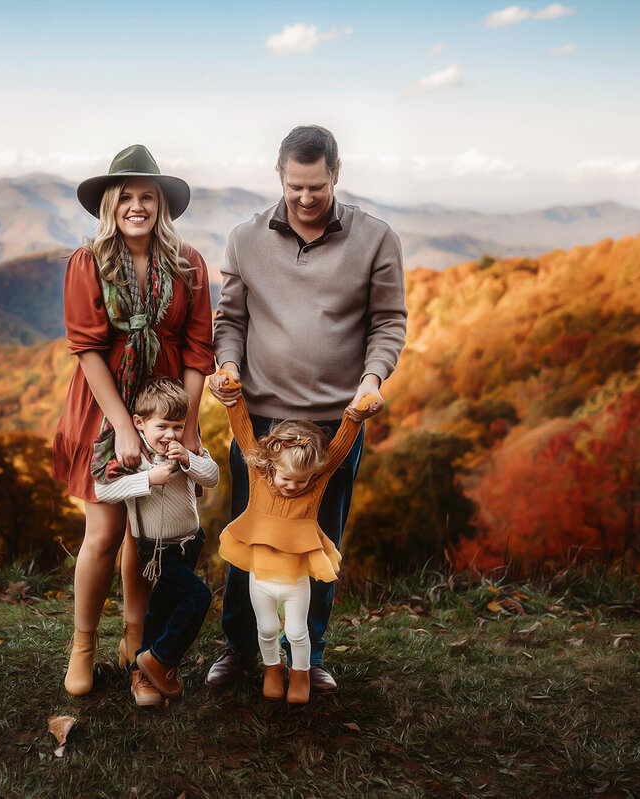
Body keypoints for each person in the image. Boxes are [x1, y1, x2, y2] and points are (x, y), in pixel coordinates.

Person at [208, 125, 407, 694]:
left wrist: (371, 381)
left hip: (335, 419)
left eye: (316, 186)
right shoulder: (245, 239)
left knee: (319, 541)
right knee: (251, 535)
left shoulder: (375, 238)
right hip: (262, 419)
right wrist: (227, 368)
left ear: (336, 175)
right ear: (279, 176)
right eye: (295, 186)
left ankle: (308, 655)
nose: (305, 198)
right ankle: (241, 649)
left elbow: (388, 321)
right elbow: (232, 321)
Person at [53, 144, 215, 697]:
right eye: (126, 196)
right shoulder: (88, 261)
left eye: (148, 196)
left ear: (162, 204)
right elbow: (87, 347)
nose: (137, 205)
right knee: (104, 531)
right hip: (106, 405)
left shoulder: (189, 263)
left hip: (164, 410)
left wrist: (187, 425)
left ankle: (135, 639)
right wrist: (121, 424)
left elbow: (198, 348)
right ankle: (82, 646)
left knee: (145, 534)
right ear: (110, 204)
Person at [213, 369, 380, 704]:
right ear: (271, 466)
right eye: (287, 479)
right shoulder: (259, 474)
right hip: (260, 575)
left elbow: (338, 451)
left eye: (301, 481)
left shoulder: (313, 485)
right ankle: (272, 668)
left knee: (296, 630)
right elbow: (245, 432)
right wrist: (233, 399)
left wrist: (354, 416)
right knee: (265, 628)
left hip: (295, 580)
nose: (293, 486)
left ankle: (301, 671)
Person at [94, 377, 219, 706]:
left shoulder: (186, 450)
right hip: (157, 550)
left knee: (161, 608)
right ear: (140, 423)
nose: (170, 435)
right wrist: (147, 478)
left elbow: (213, 477)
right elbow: (102, 491)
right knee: (197, 599)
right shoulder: (134, 457)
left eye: (178, 426)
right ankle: (161, 659)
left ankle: (141, 670)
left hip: (191, 541)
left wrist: (190, 459)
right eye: (162, 426)